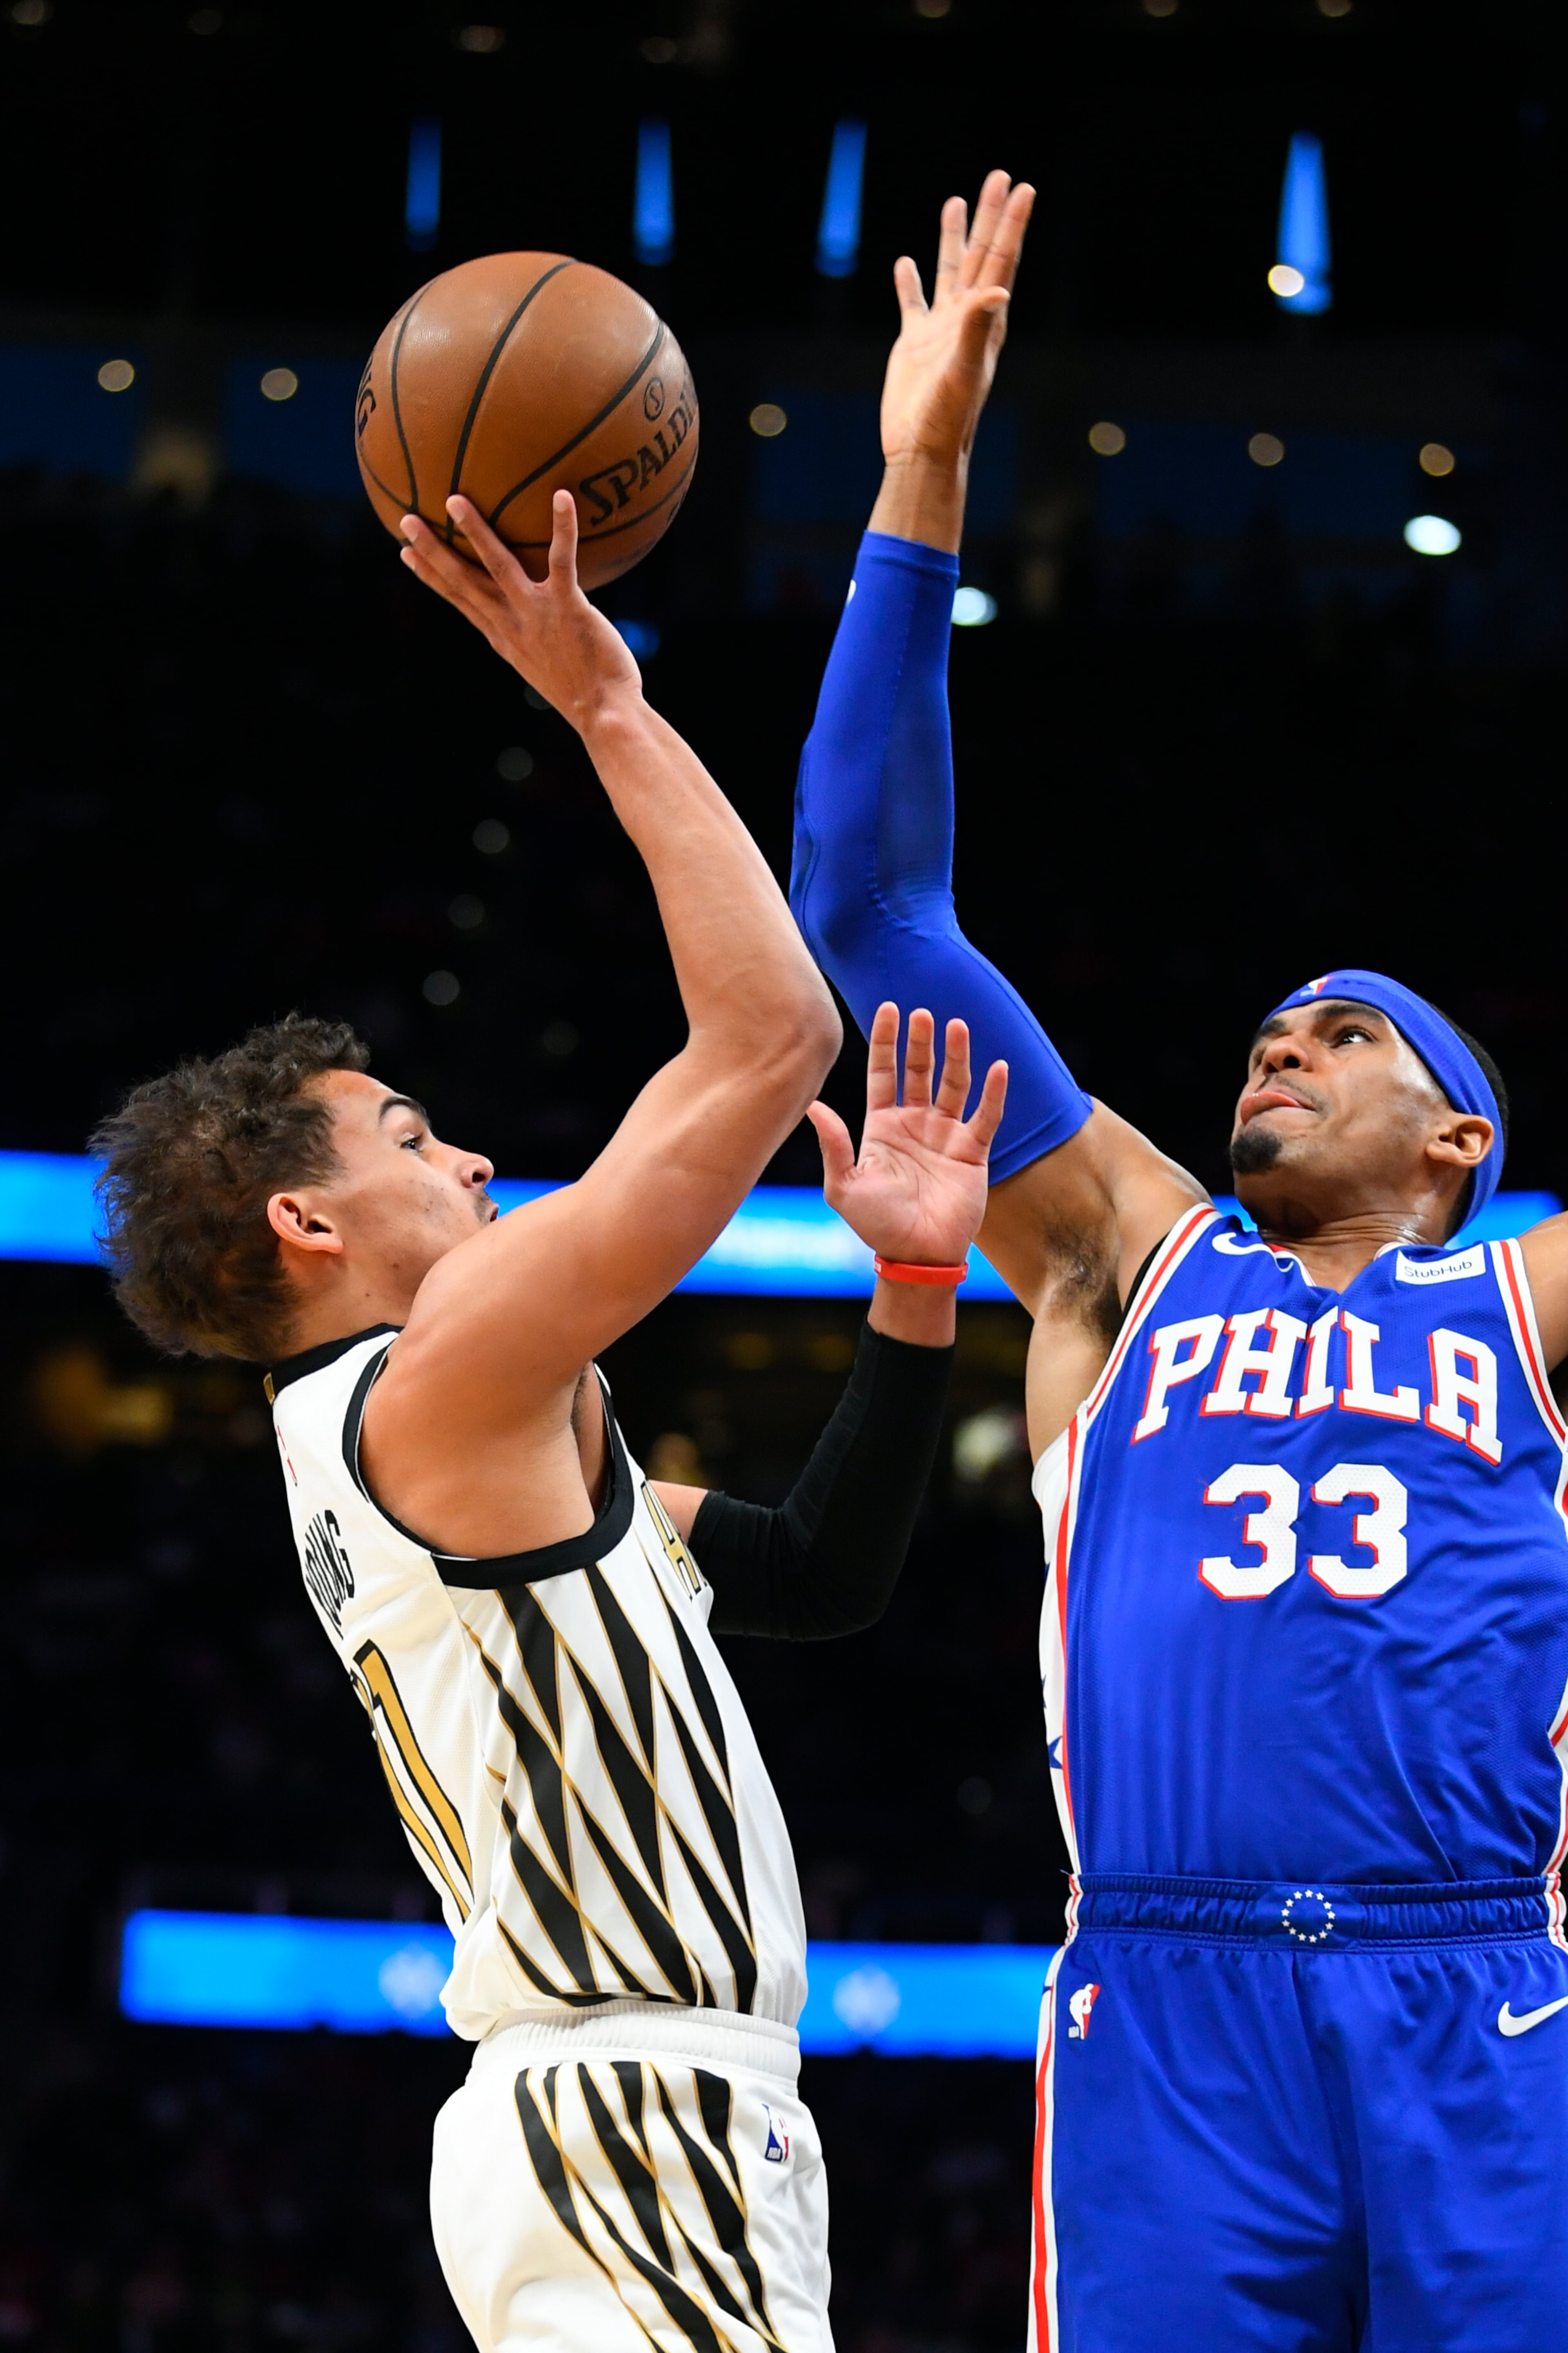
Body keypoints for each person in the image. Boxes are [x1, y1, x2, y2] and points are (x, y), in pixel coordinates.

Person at [92, 488, 1007, 2353]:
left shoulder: (427, 1435)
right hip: (631, 2116)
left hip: (615, 2116)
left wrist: (915, 1289)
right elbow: (771, 1040)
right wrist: (607, 701)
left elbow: (815, 1577)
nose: (480, 1154)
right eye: (417, 1138)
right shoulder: (450, 1375)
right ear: (308, 1222)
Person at [789, 174, 1568, 2351]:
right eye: (1272, 1025)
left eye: (1351, 1032)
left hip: (1484, 1982)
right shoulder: (1134, 1255)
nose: (1286, 1039)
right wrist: (922, 468)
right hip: (1167, 1991)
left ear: (1460, 1137)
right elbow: (869, 911)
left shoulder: (1527, 1301)